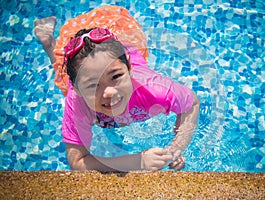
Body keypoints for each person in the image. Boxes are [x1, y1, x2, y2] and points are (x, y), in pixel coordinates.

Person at [34, 6, 200, 172]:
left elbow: (192, 103)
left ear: (128, 68)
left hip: (125, 53)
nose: (109, 93)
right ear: (77, 89)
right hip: (98, 71)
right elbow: (77, 162)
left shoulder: (153, 89)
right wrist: (138, 161)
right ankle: (49, 43)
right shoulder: (77, 101)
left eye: (116, 77)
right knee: (62, 75)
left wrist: (175, 148)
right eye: (93, 85)